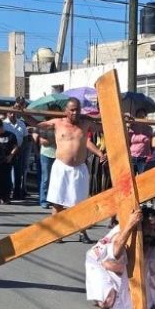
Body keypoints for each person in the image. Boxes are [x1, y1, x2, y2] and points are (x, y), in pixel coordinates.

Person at [84, 207, 155, 309]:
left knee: (144, 303)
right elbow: (115, 254)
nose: (151, 233)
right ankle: (100, 294)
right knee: (108, 301)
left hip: (122, 264)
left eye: (154, 230)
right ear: (139, 225)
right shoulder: (121, 232)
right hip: (99, 262)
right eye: (147, 228)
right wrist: (130, 225)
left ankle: (115, 272)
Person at [37, 98, 105, 243]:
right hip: (61, 167)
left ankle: (82, 232)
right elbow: (37, 125)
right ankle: (57, 232)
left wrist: (123, 118)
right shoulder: (57, 123)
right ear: (66, 111)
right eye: (72, 110)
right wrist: (23, 114)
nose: (75, 113)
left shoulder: (85, 124)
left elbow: (103, 126)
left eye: (77, 110)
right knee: (57, 203)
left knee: (81, 204)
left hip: (79, 168)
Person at [0, 119, 19, 204]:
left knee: (6, 179)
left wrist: (10, 156)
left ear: (2, 127)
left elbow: (15, 147)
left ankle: (6, 197)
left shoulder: (10, 135)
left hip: (7, 159)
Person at [4, 107, 29, 200]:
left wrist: (22, 148)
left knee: (18, 174)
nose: (13, 115)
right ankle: (7, 192)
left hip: (19, 151)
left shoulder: (21, 123)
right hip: (7, 152)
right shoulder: (4, 124)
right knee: (6, 173)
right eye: (10, 113)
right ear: (7, 113)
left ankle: (17, 193)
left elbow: (26, 137)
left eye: (14, 113)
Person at [127, 108, 154, 173]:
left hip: (143, 158)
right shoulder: (132, 127)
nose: (140, 118)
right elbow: (127, 141)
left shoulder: (149, 128)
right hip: (132, 157)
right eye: (139, 116)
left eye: (142, 116)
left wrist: (151, 155)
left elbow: (152, 144)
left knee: (142, 179)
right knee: (131, 178)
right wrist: (128, 126)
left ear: (145, 117)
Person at [36, 123, 56, 209]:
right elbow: (43, 142)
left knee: (55, 179)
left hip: (58, 155)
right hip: (46, 154)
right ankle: (43, 200)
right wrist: (55, 140)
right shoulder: (44, 126)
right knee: (46, 178)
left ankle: (53, 200)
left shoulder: (59, 125)